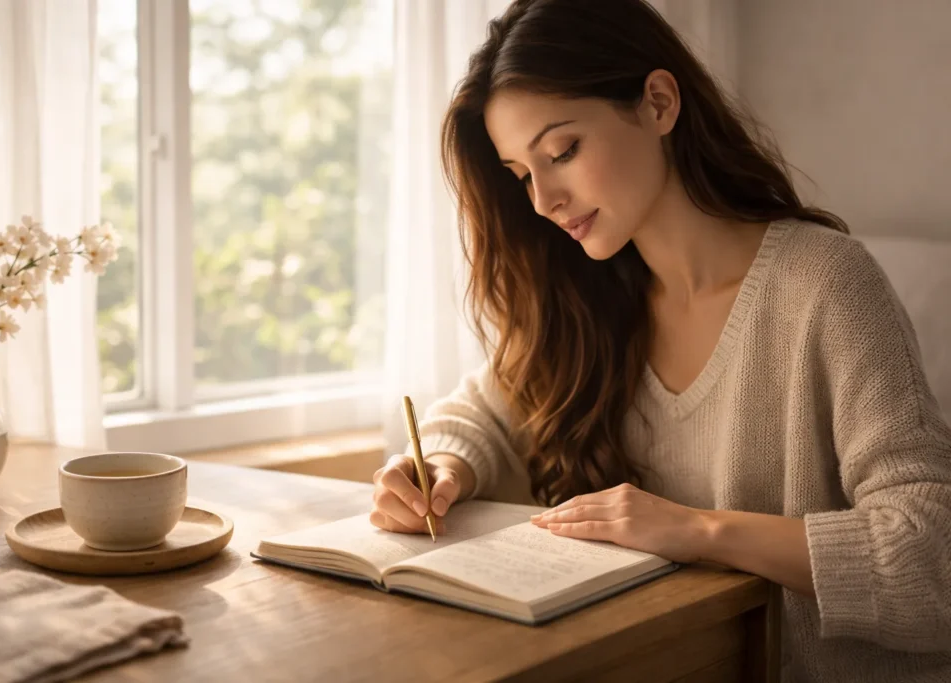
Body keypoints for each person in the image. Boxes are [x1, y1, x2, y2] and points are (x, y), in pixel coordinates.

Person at [370, 0, 951, 680]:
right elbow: (482, 416)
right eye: (523, 174)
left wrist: (696, 529)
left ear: (658, 103)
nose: (543, 201)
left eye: (561, 151)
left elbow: (931, 551)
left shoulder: (825, 284)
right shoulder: (588, 301)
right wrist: (441, 465)